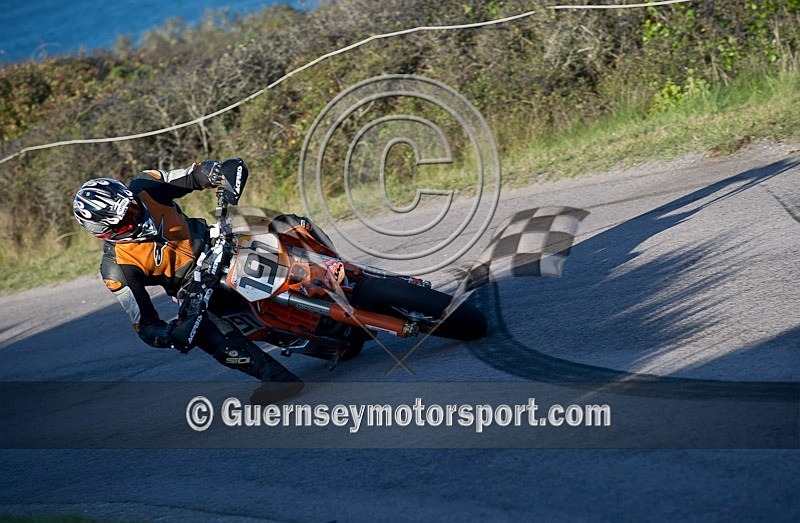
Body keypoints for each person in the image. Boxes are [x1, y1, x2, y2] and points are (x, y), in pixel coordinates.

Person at [72, 158, 303, 400]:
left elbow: (193, 175)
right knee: (201, 329)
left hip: (217, 242)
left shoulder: (146, 185)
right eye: (126, 221)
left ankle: (330, 268)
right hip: (193, 286)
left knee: (288, 224)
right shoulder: (116, 269)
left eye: (133, 208)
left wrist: (214, 173)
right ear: (105, 233)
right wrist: (170, 334)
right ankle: (275, 377)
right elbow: (145, 324)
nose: (135, 216)